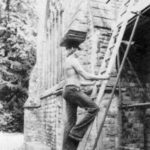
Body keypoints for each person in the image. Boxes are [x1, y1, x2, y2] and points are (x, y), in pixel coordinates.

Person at [62, 41, 109, 150]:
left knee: (71, 122)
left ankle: (67, 148)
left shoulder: (66, 62)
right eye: (78, 50)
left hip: (68, 91)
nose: (79, 53)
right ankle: (76, 133)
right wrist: (103, 77)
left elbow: (77, 81)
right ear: (74, 48)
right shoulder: (73, 60)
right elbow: (86, 76)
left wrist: (92, 84)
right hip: (73, 90)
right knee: (94, 108)